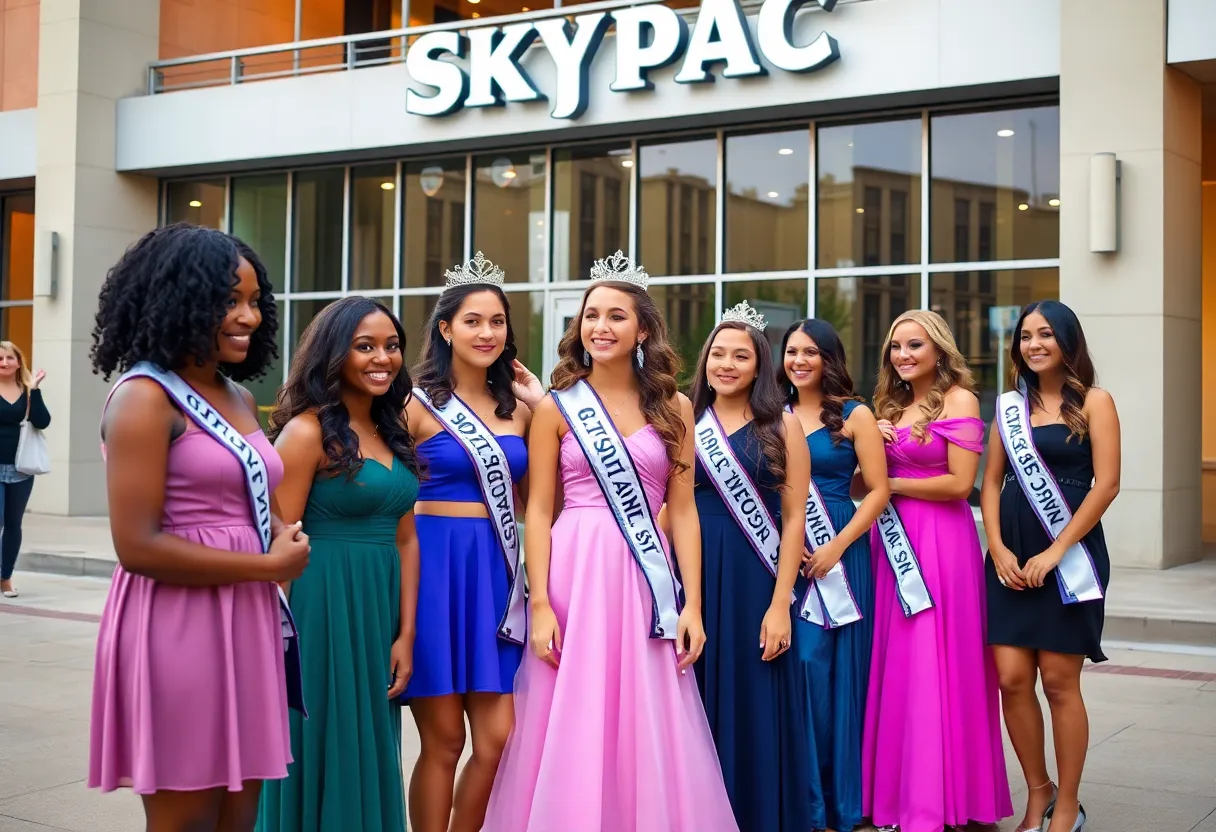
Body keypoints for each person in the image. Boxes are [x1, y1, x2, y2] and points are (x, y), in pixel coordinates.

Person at [482, 251, 737, 832]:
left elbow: (683, 510)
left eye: (616, 316)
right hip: (574, 572)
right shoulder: (556, 407)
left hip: (645, 577)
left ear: (642, 330)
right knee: (571, 707)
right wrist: (539, 603)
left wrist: (693, 605)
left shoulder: (674, 407)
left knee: (645, 709)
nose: (600, 326)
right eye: (591, 315)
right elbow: (538, 510)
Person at [88, 223, 310, 832]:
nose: (249, 317)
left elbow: (246, 497)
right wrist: (266, 566)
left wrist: (281, 534)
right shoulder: (144, 398)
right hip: (178, 622)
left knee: (239, 818)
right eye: (228, 300)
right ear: (179, 298)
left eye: (254, 301)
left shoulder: (237, 395)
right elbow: (137, 545)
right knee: (186, 818)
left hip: (246, 618)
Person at [255, 297, 423, 832]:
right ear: (334, 353)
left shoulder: (393, 428)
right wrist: (273, 643)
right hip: (320, 606)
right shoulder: (307, 432)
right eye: (365, 346)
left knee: (367, 738)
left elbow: (407, 540)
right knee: (320, 734)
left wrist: (406, 634)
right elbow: (279, 540)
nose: (383, 358)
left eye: (392, 346)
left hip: (378, 611)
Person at [403, 253, 544, 832]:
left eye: (497, 322)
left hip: (495, 574)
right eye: (473, 321)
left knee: (496, 738)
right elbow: (390, 498)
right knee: (443, 741)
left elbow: (539, 503)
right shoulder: (412, 403)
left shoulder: (521, 410)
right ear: (445, 329)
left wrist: (541, 402)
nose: (487, 333)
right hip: (434, 573)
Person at [861, 309, 1012, 832]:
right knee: (899, 662)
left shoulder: (960, 399)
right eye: (896, 346)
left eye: (915, 345)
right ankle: (897, 796)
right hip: (891, 543)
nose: (903, 355)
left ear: (939, 350)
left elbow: (959, 484)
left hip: (940, 544)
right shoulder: (889, 407)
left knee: (938, 660)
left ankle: (944, 799)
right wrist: (868, 451)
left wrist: (889, 484)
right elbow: (862, 484)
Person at [982, 300, 1118, 832]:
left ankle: (1068, 805)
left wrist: (1057, 550)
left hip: (1070, 556)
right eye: (1025, 336)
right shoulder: (1009, 408)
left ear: (1067, 340)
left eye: (1045, 334)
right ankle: (1040, 792)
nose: (1033, 344)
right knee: (1012, 679)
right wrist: (997, 546)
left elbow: (1107, 484)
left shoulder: (1095, 402)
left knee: (1060, 683)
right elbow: (991, 481)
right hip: (1011, 558)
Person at [687, 303, 812, 832]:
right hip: (694, 573)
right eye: (718, 354)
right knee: (694, 696)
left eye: (741, 356)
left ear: (761, 365)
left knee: (756, 698)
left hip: (756, 577)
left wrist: (781, 603)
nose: (727, 364)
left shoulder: (782, 425)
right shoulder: (684, 420)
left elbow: (794, 517)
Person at [779, 318, 889, 832]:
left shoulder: (854, 414)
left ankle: (840, 802)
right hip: (783, 547)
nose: (799, 361)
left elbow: (878, 491)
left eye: (810, 352)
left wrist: (836, 547)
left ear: (829, 358)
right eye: (791, 351)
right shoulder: (770, 412)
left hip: (839, 550)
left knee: (835, 672)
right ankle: (806, 801)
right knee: (801, 668)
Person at [0, 340, 49, 598]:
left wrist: (35, 390)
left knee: (13, 524)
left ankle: (5, 578)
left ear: (19, 362)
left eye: (10, 357)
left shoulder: (27, 390)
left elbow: (42, 422)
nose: (4, 362)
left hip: (21, 468)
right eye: (0, 358)